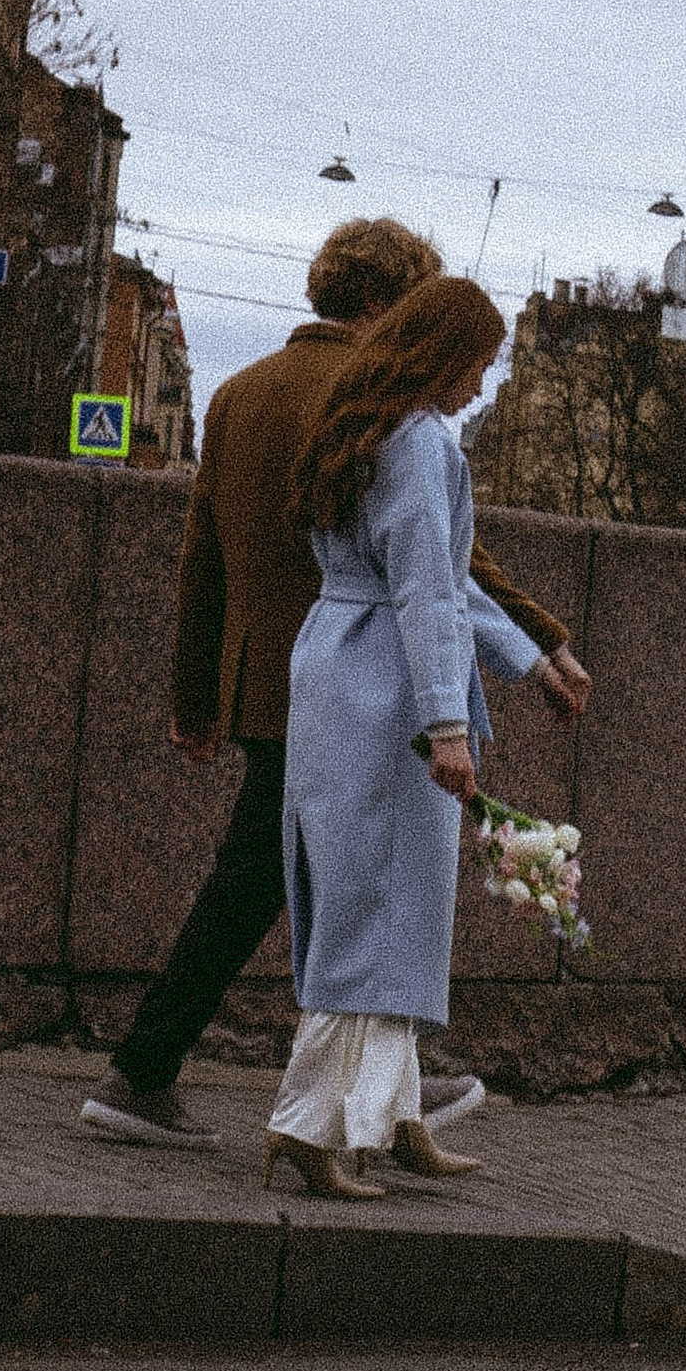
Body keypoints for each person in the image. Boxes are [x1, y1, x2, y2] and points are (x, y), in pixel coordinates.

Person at [83, 217, 586, 1145]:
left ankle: (343, 1085)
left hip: (273, 681)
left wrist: (195, 700)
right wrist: (538, 639)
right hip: (370, 689)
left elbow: (204, 562)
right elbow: (435, 564)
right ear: (390, 306)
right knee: (362, 894)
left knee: (282, 888)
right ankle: (308, 1094)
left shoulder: (238, 394)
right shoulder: (374, 405)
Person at [263, 275, 536, 1198]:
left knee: (378, 898)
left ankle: (396, 1113)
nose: (482, 383)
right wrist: (447, 725)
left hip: (336, 663)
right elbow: (428, 587)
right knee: (376, 908)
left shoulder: (359, 428)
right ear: (443, 355)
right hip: (389, 685)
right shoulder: (422, 444)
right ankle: (304, 1126)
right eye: (479, 363)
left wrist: (532, 658)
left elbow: (436, 580)